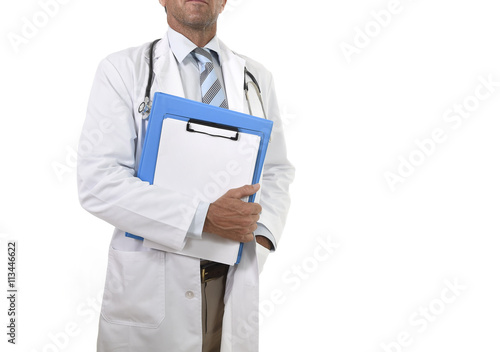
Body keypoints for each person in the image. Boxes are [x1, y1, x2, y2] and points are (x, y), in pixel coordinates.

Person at [77, 0, 294, 351]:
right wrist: (203, 217)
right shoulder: (122, 70)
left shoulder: (256, 78)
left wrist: (262, 233)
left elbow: (277, 169)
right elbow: (98, 182)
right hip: (153, 285)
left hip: (229, 282)